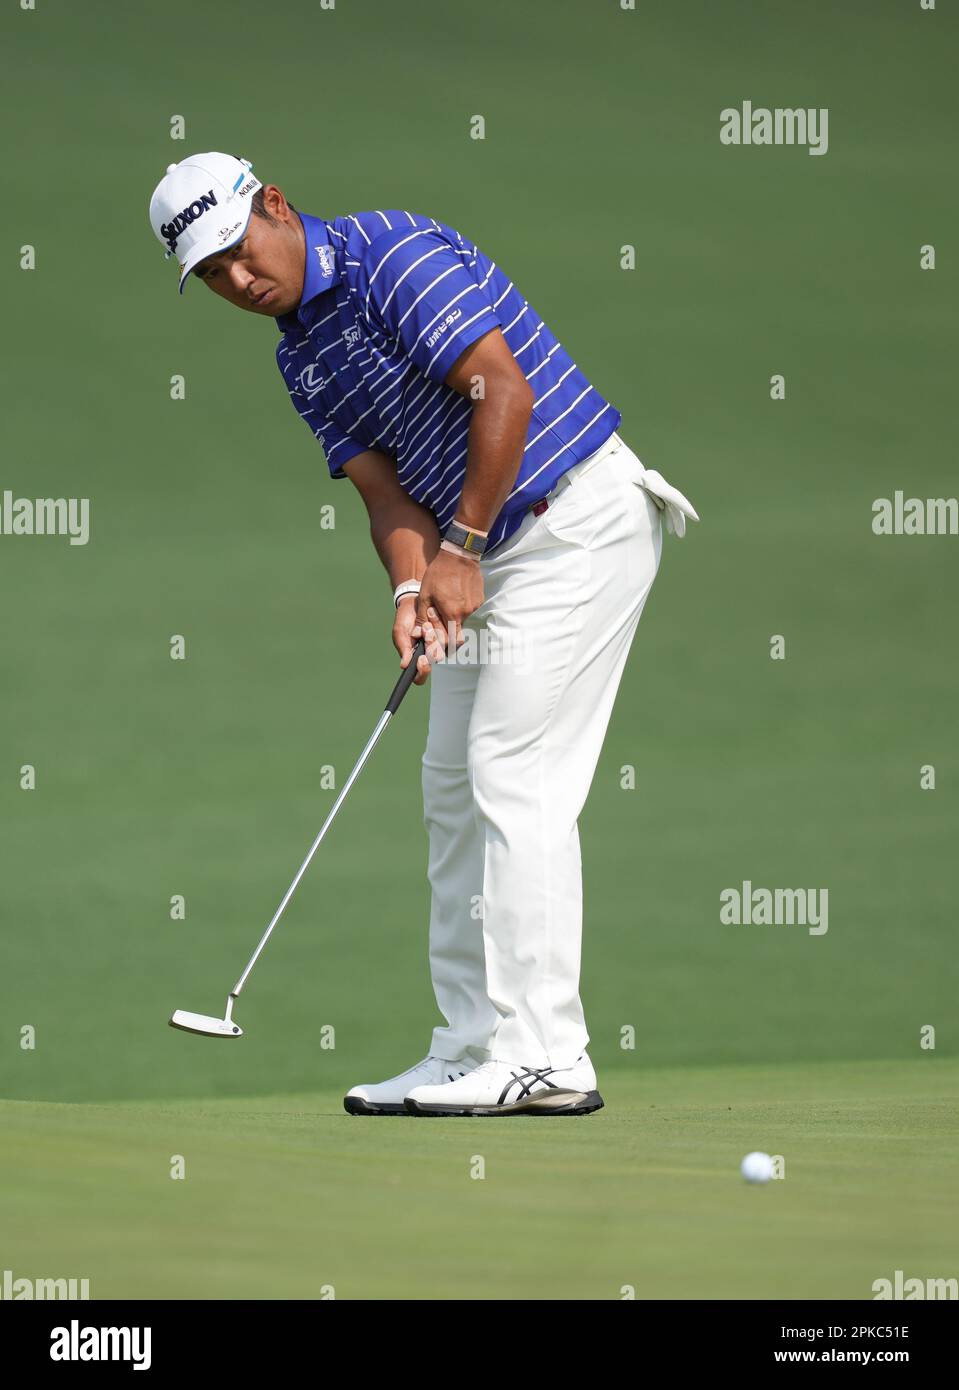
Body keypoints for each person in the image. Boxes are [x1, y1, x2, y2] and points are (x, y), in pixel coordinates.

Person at [149, 151, 698, 1118]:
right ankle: (470, 1046)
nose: (239, 281)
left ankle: (548, 1055)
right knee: (450, 786)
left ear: (274, 204)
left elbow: (504, 390)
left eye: (238, 251)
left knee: (509, 774)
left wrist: (464, 548)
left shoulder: (391, 251)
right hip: (481, 548)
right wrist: (412, 587)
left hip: (572, 521)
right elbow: (383, 490)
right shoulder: (300, 353)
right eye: (213, 276)